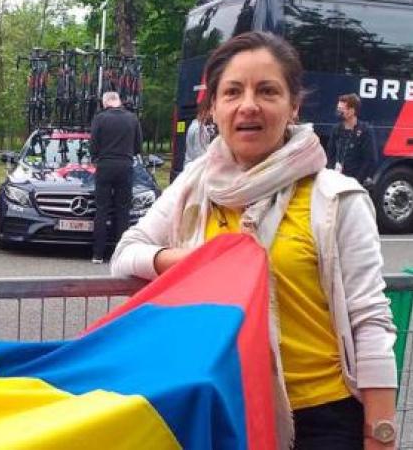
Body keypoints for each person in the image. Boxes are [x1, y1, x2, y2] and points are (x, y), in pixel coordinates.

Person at [110, 32, 397, 449]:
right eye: (232, 92)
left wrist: (380, 433)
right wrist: (204, 260)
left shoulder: (337, 198)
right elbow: (126, 254)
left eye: (267, 91)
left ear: (293, 105)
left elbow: (370, 320)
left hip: (322, 419)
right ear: (213, 108)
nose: (249, 105)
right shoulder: (194, 186)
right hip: (221, 411)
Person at [89, 91, 142, 264]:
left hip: (105, 165)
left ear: (105, 103)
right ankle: (120, 254)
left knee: (102, 209)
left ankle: (98, 254)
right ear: (118, 101)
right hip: (125, 165)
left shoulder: (100, 119)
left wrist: (96, 157)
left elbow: (93, 145)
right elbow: (138, 146)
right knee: (123, 210)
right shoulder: (132, 118)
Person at [327, 93, 377, 188]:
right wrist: (332, 174)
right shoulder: (336, 129)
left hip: (355, 182)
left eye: (342, 109)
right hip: (336, 180)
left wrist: (357, 180)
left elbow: (370, 159)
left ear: (352, 111)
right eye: (338, 108)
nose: (338, 112)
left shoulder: (365, 130)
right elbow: (330, 154)